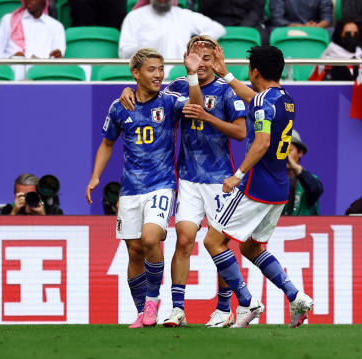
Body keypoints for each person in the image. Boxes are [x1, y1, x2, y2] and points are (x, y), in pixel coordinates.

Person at [120, 35, 247, 328]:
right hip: (188, 178)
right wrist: (128, 89)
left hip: (219, 179)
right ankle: (177, 309)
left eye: (206, 57)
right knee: (184, 241)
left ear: (216, 58)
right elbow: (150, 100)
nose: (200, 63)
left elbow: (240, 133)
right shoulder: (177, 86)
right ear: (185, 57)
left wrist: (208, 117)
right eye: (194, 57)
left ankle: (223, 308)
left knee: (219, 244)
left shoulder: (228, 90)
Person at [86, 47, 203, 329]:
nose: (159, 75)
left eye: (161, 69)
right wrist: (95, 177)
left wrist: (191, 75)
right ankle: (142, 312)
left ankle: (152, 301)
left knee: (151, 239)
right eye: (152, 69)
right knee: (135, 251)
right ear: (136, 73)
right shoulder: (119, 107)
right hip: (130, 191)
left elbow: (196, 106)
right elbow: (107, 143)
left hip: (161, 185)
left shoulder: (170, 102)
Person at [201, 45, 313, 328]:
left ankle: (247, 302)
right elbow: (254, 99)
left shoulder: (264, 102)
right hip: (278, 188)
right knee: (251, 248)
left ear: (255, 71)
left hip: (255, 186)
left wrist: (237, 174)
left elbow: (262, 142)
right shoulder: (286, 100)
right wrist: (224, 74)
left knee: (214, 241)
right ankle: (295, 296)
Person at [119, 0, 225, 78]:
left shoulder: (183, 15)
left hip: (181, 76)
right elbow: (124, 53)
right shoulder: (134, 17)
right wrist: (150, 47)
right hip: (148, 76)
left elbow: (218, 28)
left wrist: (196, 43)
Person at [0, 0, 65, 80]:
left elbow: (55, 58)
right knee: (18, 60)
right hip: (13, 73)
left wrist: (43, 60)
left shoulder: (56, 26)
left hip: (41, 74)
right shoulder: (8, 20)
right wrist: (12, 58)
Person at [310, 17, 362, 81]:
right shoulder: (329, 56)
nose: (352, 37)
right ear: (339, 35)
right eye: (348, 34)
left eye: (356, 34)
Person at [282, 129, 323, 215]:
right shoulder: (272, 180)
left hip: (304, 228)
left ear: (300, 152)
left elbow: (316, 190)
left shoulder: (311, 179)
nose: (285, 155)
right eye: (281, 150)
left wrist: (297, 168)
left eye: (289, 150)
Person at [197, 0, 267, 45]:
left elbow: (256, 10)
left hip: (244, 21)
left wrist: (242, 28)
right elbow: (203, 8)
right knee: (196, 38)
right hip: (214, 22)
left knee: (263, 37)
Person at [268, 0, 333, 29]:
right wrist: (301, 26)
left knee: (331, 32)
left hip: (315, 27)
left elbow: (327, 18)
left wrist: (317, 26)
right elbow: (277, 19)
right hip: (288, 26)